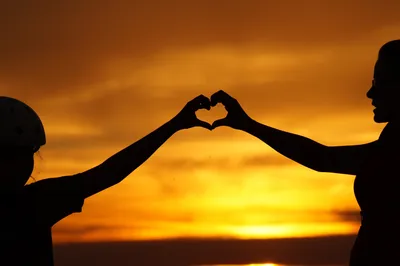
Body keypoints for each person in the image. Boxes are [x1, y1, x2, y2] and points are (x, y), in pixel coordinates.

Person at [209, 40, 400, 265]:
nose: (370, 92)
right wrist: (247, 124)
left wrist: (248, 125)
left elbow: (321, 158)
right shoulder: (390, 142)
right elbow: (321, 157)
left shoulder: (395, 149)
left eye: (380, 82)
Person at [0, 94, 212, 266]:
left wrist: (175, 124)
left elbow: (110, 172)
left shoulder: (40, 199)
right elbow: (109, 173)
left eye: (28, 153)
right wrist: (175, 124)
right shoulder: (36, 202)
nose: (23, 164)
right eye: (13, 155)